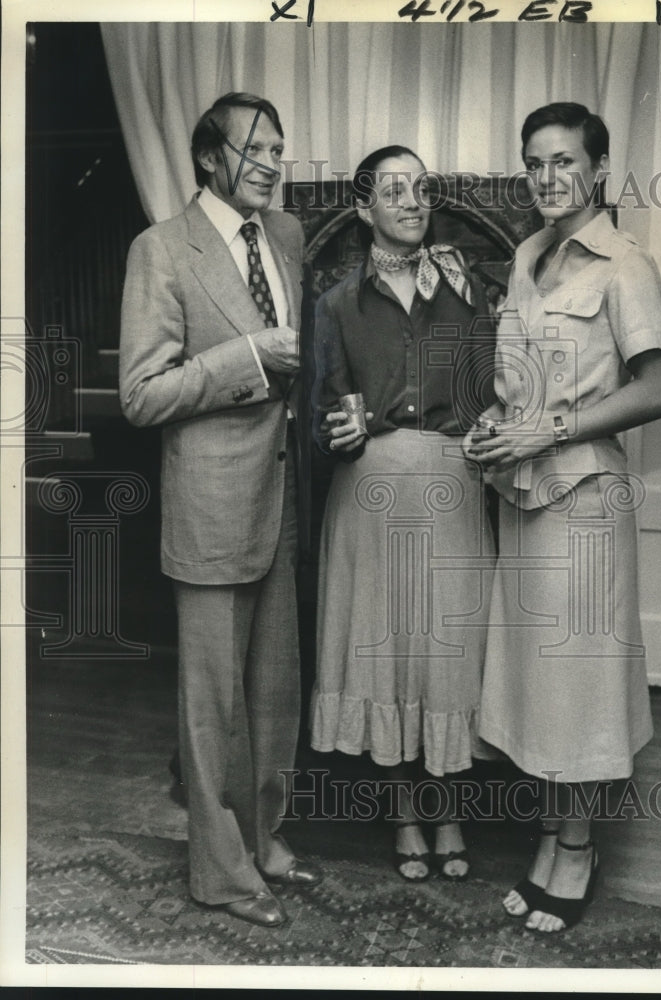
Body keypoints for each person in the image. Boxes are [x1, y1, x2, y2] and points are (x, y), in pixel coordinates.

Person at [466, 103, 661, 931]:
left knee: (580, 687)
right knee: (539, 689)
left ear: (596, 169)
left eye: (562, 162)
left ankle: (577, 850)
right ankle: (551, 835)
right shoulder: (527, 256)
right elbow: (521, 384)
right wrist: (497, 423)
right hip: (521, 496)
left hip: (583, 500)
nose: (546, 178)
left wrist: (549, 427)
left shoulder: (625, 265)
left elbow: (656, 390)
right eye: (533, 163)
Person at [119, 92, 321, 928]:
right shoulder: (160, 250)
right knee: (211, 703)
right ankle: (221, 873)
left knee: (274, 692)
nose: (273, 162)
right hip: (208, 506)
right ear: (209, 158)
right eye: (255, 149)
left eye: (279, 146)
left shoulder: (288, 236)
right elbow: (140, 394)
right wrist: (244, 356)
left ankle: (264, 841)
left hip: (283, 497)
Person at [310, 146, 496, 881]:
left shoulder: (466, 287)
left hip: (451, 483)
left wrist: (485, 424)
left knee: (444, 653)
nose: (412, 201)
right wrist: (339, 427)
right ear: (364, 210)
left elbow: (488, 387)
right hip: (371, 491)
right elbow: (322, 409)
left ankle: (448, 810)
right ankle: (404, 816)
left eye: (420, 189)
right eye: (394, 191)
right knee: (384, 651)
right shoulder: (334, 303)